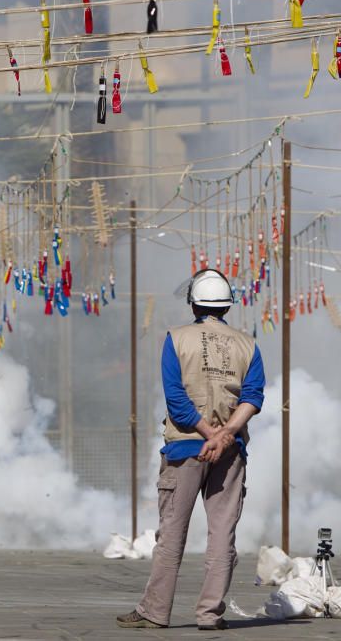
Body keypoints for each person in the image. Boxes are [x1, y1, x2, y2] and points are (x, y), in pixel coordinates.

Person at [117, 268, 265, 631]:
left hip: (185, 449)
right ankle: (210, 615)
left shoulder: (176, 339)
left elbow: (177, 401)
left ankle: (155, 612)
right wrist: (226, 434)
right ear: (228, 306)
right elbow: (253, 397)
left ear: (194, 303)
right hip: (230, 455)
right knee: (222, 536)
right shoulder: (249, 345)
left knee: (172, 533)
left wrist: (206, 434)